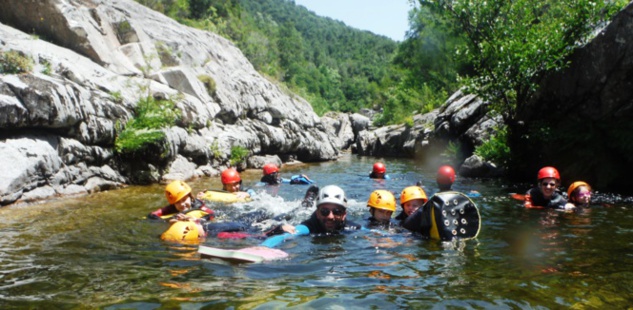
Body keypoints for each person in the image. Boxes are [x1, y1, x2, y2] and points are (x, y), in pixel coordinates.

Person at [260, 185, 361, 247]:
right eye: (325, 211)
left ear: (344, 215)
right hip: (301, 215)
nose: (330, 216)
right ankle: (307, 201)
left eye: (337, 211)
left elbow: (371, 232)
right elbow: (286, 236)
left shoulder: (350, 226)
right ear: (317, 212)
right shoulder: (309, 226)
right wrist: (264, 246)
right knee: (296, 212)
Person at [148, 180, 214, 220]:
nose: (182, 204)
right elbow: (152, 215)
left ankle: (200, 196)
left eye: (184, 199)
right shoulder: (171, 208)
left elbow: (212, 214)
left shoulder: (198, 205)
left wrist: (197, 220)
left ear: (190, 197)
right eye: (177, 202)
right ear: (173, 204)